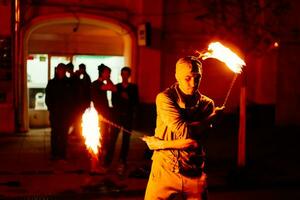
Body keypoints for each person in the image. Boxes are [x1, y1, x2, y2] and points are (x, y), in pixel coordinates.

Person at [143, 56, 224, 200]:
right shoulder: (165, 98)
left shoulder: (207, 104)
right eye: (187, 78)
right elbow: (184, 132)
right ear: (177, 76)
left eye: (197, 77)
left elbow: (195, 142)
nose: (193, 83)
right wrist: (210, 119)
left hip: (194, 171)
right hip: (165, 170)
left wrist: (160, 144)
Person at [111, 67, 139, 175]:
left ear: (129, 75)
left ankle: (122, 160)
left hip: (128, 116)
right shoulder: (117, 87)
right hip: (117, 117)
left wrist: (128, 98)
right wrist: (120, 97)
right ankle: (108, 160)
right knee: (113, 138)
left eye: (126, 74)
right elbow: (113, 102)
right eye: (123, 74)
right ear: (121, 75)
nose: (124, 76)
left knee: (126, 139)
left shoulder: (133, 87)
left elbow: (136, 102)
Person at [91, 64, 116, 171]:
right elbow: (113, 88)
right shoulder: (96, 84)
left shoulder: (100, 83)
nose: (109, 74)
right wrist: (108, 79)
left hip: (104, 115)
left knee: (105, 139)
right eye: (107, 72)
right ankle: (98, 162)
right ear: (102, 73)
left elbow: (113, 89)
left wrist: (107, 78)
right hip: (99, 116)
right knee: (101, 139)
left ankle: (100, 162)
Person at [45, 63, 73, 160]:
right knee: (55, 133)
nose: (60, 72)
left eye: (62, 70)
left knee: (64, 134)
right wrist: (51, 108)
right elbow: (48, 97)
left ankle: (62, 153)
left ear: (65, 71)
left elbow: (72, 98)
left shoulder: (69, 83)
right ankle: (54, 153)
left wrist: (70, 111)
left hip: (65, 113)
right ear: (57, 71)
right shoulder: (52, 83)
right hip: (55, 113)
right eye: (59, 70)